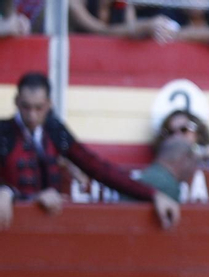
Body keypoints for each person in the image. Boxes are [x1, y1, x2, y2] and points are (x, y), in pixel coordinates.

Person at [0, 72, 180, 231]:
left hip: (50, 227)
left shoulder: (54, 131)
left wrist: (153, 194)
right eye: (26, 107)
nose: (32, 116)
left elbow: (98, 168)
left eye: (38, 108)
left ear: (48, 104)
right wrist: (8, 192)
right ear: (16, 102)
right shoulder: (4, 133)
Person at [154, 109, 209, 203]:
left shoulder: (208, 154)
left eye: (184, 130)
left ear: (197, 132)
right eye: (171, 132)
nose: (177, 136)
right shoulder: (163, 161)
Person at [135, 136, 204, 204]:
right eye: (192, 162)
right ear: (183, 159)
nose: (192, 169)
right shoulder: (169, 187)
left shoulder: (149, 173)